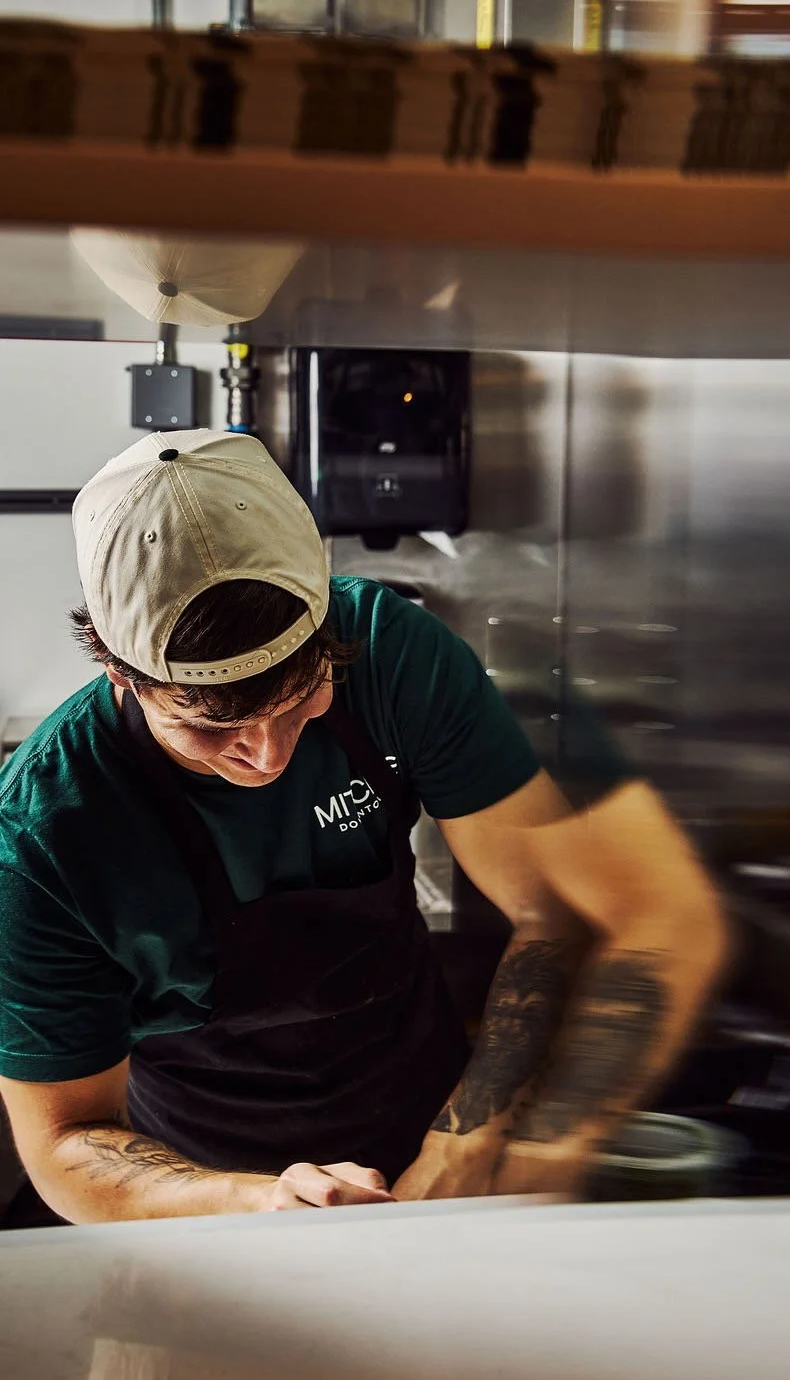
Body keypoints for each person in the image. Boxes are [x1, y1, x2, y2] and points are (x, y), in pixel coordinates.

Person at [0, 430, 727, 1224]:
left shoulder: (388, 653)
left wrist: (473, 1139)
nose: (268, 755)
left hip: (423, 1116)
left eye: (301, 701)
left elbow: (557, 907)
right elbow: (65, 1141)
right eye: (211, 727)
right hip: (200, 1193)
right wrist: (260, 1203)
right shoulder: (44, 834)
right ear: (118, 670)